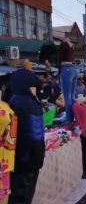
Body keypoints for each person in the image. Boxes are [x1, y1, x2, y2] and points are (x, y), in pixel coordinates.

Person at [8, 68, 45, 204]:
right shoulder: (35, 102)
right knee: (27, 196)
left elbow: (12, 133)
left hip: (22, 159)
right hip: (35, 158)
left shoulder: (16, 102)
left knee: (18, 196)